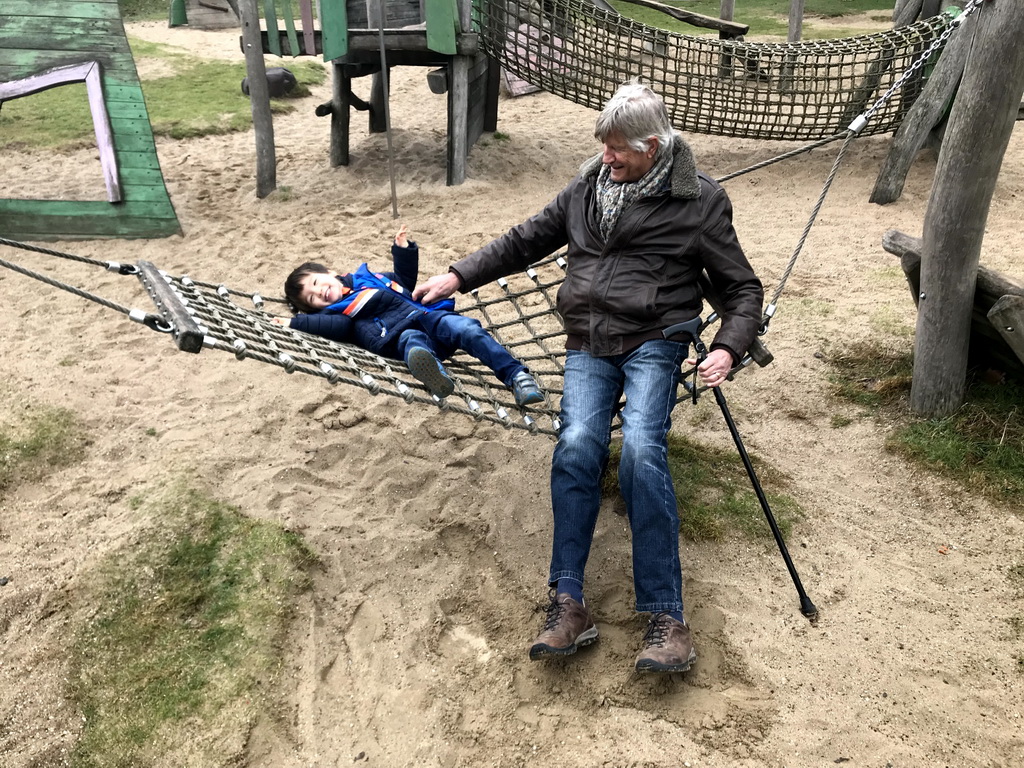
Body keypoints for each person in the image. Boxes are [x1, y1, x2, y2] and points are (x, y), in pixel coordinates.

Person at [413, 80, 764, 674]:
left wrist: (730, 346)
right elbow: (525, 239)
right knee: (576, 446)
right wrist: (457, 276)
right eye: (603, 145)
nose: (607, 157)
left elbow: (742, 288)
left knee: (641, 451)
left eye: (618, 149)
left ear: (652, 146)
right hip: (587, 340)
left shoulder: (699, 199)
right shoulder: (586, 186)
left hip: (656, 338)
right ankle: (569, 602)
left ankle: (666, 615)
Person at [282, 226, 544, 407]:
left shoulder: (370, 278)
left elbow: (405, 281)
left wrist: (404, 251)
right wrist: (295, 323)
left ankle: (517, 377)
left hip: (430, 316)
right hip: (397, 335)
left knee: (468, 328)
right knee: (412, 341)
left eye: (317, 282)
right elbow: (329, 326)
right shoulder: (340, 315)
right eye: (313, 299)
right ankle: (434, 373)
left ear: (331, 272)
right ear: (316, 309)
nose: (320, 292)